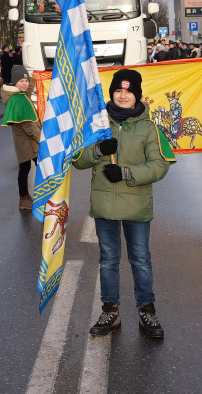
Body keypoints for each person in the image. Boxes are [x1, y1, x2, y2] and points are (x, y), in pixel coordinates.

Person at [74, 68, 175, 339]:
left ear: (137, 95)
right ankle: (111, 311)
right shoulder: (97, 123)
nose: (122, 95)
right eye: (118, 90)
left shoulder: (148, 127)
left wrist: (127, 173)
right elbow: (78, 159)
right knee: (108, 260)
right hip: (105, 205)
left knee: (140, 260)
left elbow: (160, 165)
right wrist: (98, 151)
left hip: (137, 205)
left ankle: (147, 311)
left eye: (128, 91)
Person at [1, 65, 41, 211]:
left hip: (24, 141)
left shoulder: (20, 95)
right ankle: (27, 198)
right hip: (28, 142)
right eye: (21, 81)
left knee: (25, 168)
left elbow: (29, 88)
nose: (25, 84)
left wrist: (32, 75)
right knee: (33, 167)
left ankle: (25, 198)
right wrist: (41, 139)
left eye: (26, 80)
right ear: (14, 83)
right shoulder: (19, 100)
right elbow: (29, 127)